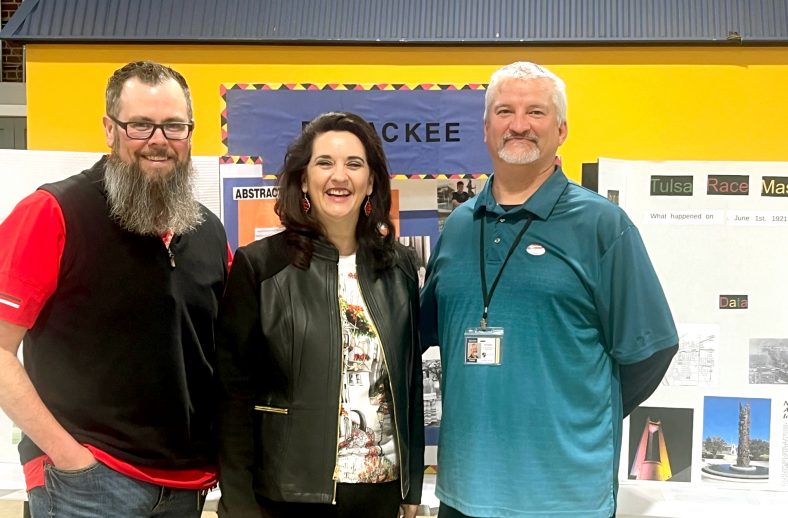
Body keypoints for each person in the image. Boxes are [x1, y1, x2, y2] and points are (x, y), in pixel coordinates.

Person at [420, 62, 678, 517]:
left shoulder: (602, 225)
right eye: (505, 111)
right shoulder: (459, 227)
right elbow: (423, 334)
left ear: (561, 129)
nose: (519, 125)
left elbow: (650, 352)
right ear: (485, 128)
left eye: (535, 112)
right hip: (463, 494)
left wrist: (575, 417)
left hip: (564, 498)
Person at [0, 61, 229, 517]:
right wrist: (70, 459)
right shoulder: (53, 212)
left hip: (187, 486)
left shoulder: (209, 233)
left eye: (174, 126)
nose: (158, 140)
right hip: (89, 484)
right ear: (109, 129)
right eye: (140, 125)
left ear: (191, 132)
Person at [216, 112, 424, 518]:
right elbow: (232, 395)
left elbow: (410, 381)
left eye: (354, 164)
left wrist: (411, 484)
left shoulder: (398, 268)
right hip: (287, 497)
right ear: (304, 180)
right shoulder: (260, 266)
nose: (339, 176)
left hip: (379, 497)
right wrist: (238, 502)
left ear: (372, 183)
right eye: (324, 163)